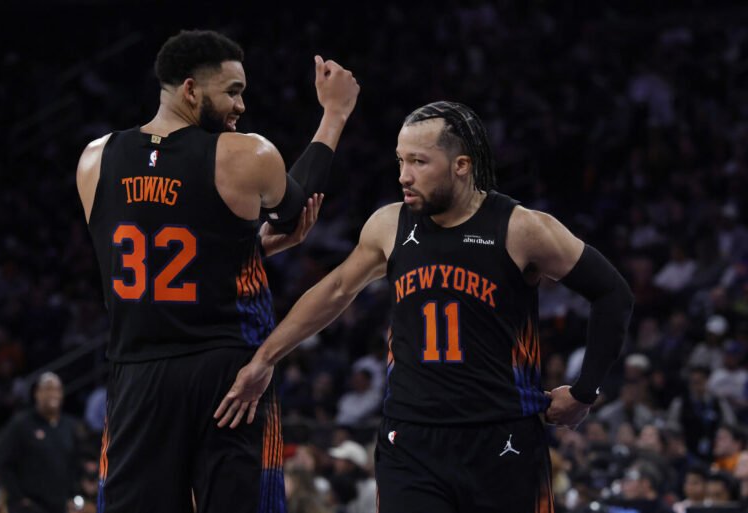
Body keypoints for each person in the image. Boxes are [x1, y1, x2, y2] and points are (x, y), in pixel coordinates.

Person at [216, 101, 634, 512]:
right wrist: (265, 359)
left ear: (461, 165)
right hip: (410, 440)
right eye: (400, 161)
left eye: (418, 161)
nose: (404, 175)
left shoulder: (521, 227)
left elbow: (613, 293)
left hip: (502, 437)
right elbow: (337, 289)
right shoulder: (389, 224)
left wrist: (585, 392)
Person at [75, 29, 359, 513]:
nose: (241, 105)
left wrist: (246, 250)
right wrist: (334, 114)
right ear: (191, 89)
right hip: (228, 371)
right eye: (233, 91)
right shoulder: (244, 153)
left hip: (137, 371)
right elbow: (296, 211)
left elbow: (157, 252)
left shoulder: (95, 158)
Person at [0, 372, 80, 513]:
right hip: (29, 507)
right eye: (48, 388)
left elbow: (74, 464)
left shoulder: (70, 426)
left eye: (57, 389)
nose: (53, 394)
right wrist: (20, 498)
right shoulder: (21, 424)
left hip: (60, 506)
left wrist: (73, 495)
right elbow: (3, 463)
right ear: (37, 393)